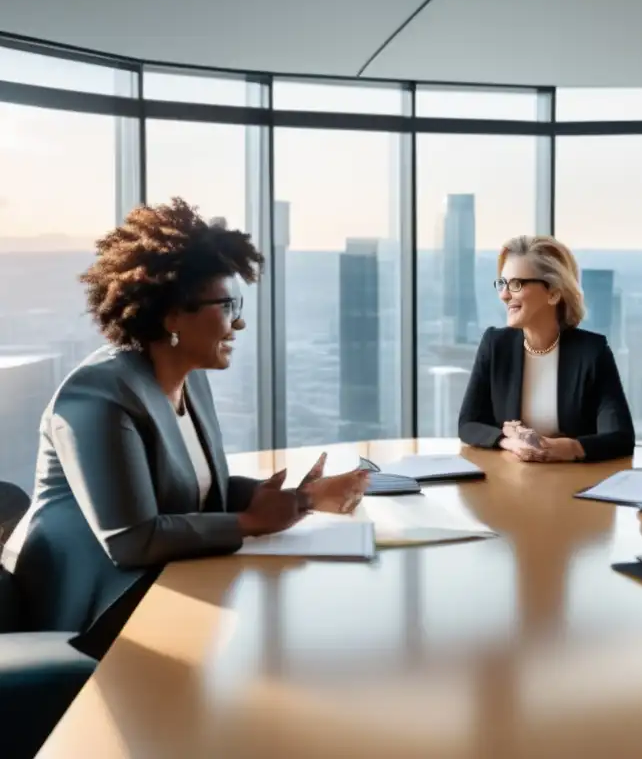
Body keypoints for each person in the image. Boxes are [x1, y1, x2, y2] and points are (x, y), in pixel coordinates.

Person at [1, 199, 369, 641]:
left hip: (164, 584)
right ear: (172, 314)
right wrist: (253, 522)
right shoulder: (98, 396)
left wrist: (301, 498)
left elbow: (192, 493)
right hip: (95, 612)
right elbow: (131, 540)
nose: (240, 323)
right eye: (228, 305)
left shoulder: (188, 380)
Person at [458, 235, 634, 463]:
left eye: (516, 284)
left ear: (553, 293)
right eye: (502, 283)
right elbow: (468, 424)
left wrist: (566, 448)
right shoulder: (495, 344)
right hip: (510, 480)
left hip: (572, 483)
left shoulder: (592, 352)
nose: (504, 295)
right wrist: (509, 442)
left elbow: (620, 437)